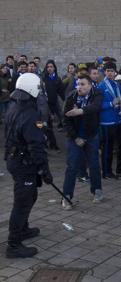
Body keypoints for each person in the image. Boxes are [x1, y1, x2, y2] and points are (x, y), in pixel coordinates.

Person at [4, 73, 53, 258]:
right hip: (24, 163)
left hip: (15, 160)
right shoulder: (31, 113)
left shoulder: (13, 105)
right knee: (22, 203)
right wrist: (45, 169)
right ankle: (14, 244)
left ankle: (23, 228)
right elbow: (36, 145)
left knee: (30, 195)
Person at [61, 74, 103, 210]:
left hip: (91, 136)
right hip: (75, 137)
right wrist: (75, 137)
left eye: (83, 84)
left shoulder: (97, 94)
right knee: (72, 167)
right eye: (78, 84)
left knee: (94, 164)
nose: (79, 87)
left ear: (90, 85)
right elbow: (65, 120)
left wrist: (80, 111)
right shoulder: (71, 96)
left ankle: (97, 190)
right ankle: (66, 196)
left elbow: (95, 107)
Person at [98, 62, 121, 179]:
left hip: (119, 118)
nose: (110, 73)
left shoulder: (117, 84)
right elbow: (98, 105)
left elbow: (119, 98)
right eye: (107, 71)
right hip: (107, 121)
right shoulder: (101, 86)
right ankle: (107, 172)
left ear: (115, 72)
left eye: (112, 71)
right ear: (104, 72)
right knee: (108, 147)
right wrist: (111, 104)